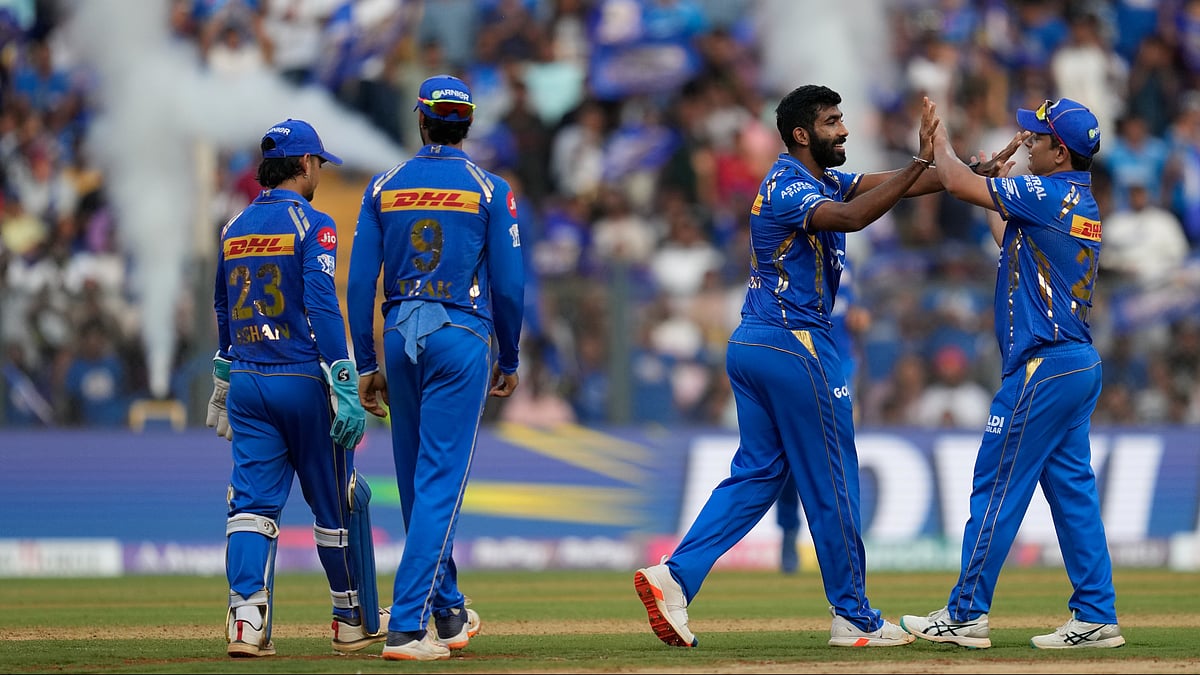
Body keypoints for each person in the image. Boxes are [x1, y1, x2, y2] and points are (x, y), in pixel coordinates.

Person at [634, 84, 942, 649]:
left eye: (842, 118)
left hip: (755, 343)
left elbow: (901, 185)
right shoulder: (792, 186)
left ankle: (673, 578)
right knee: (833, 481)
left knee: (758, 474)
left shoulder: (820, 178)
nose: (844, 130)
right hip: (795, 343)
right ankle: (853, 615)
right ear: (802, 134)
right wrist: (924, 161)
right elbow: (850, 218)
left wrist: (972, 174)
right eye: (831, 122)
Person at [901, 98, 1126, 649]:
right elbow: (1012, 243)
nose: (1027, 142)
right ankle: (1097, 615)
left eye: (1037, 138)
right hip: (1074, 364)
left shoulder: (1047, 194)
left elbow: (953, 182)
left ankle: (965, 614)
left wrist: (941, 141)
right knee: (1072, 493)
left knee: (996, 484)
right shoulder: (1073, 201)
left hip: (1043, 368)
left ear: (1060, 152)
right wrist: (996, 187)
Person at [347, 74, 525, 662]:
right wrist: (511, 353)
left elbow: (357, 284)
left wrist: (367, 361)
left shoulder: (383, 186)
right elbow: (510, 284)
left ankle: (447, 613)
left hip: (399, 335)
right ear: (467, 125)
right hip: (460, 335)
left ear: (421, 121)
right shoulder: (490, 188)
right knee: (440, 484)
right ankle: (405, 627)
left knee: (416, 483)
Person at [207, 118, 379, 657]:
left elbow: (222, 306)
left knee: (251, 508)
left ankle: (246, 622)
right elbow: (323, 305)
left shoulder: (234, 226)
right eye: (320, 165)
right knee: (332, 504)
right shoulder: (316, 224)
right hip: (303, 379)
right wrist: (344, 379)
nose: (321, 174)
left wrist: (222, 371)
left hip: (249, 381)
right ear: (305, 164)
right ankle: (349, 618)